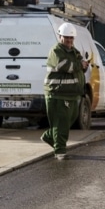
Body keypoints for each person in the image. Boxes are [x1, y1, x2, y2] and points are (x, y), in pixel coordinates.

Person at [41, 22, 89, 159]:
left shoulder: (74, 51)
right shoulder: (56, 51)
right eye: (66, 37)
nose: (69, 40)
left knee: (70, 119)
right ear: (60, 36)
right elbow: (64, 65)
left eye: (71, 38)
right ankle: (60, 152)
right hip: (57, 93)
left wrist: (84, 65)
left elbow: (81, 63)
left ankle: (50, 137)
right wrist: (80, 65)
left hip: (72, 93)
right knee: (61, 122)